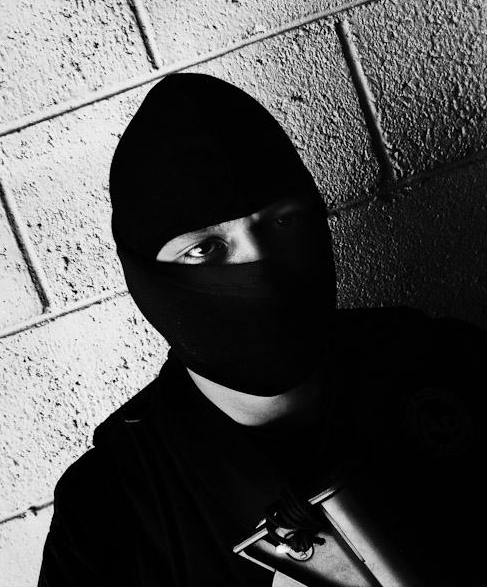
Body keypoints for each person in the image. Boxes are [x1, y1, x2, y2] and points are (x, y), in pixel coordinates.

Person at [38, 73, 484, 586]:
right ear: (149, 280)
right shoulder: (113, 506)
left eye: (283, 224)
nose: (261, 266)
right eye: (206, 250)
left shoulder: (449, 364)